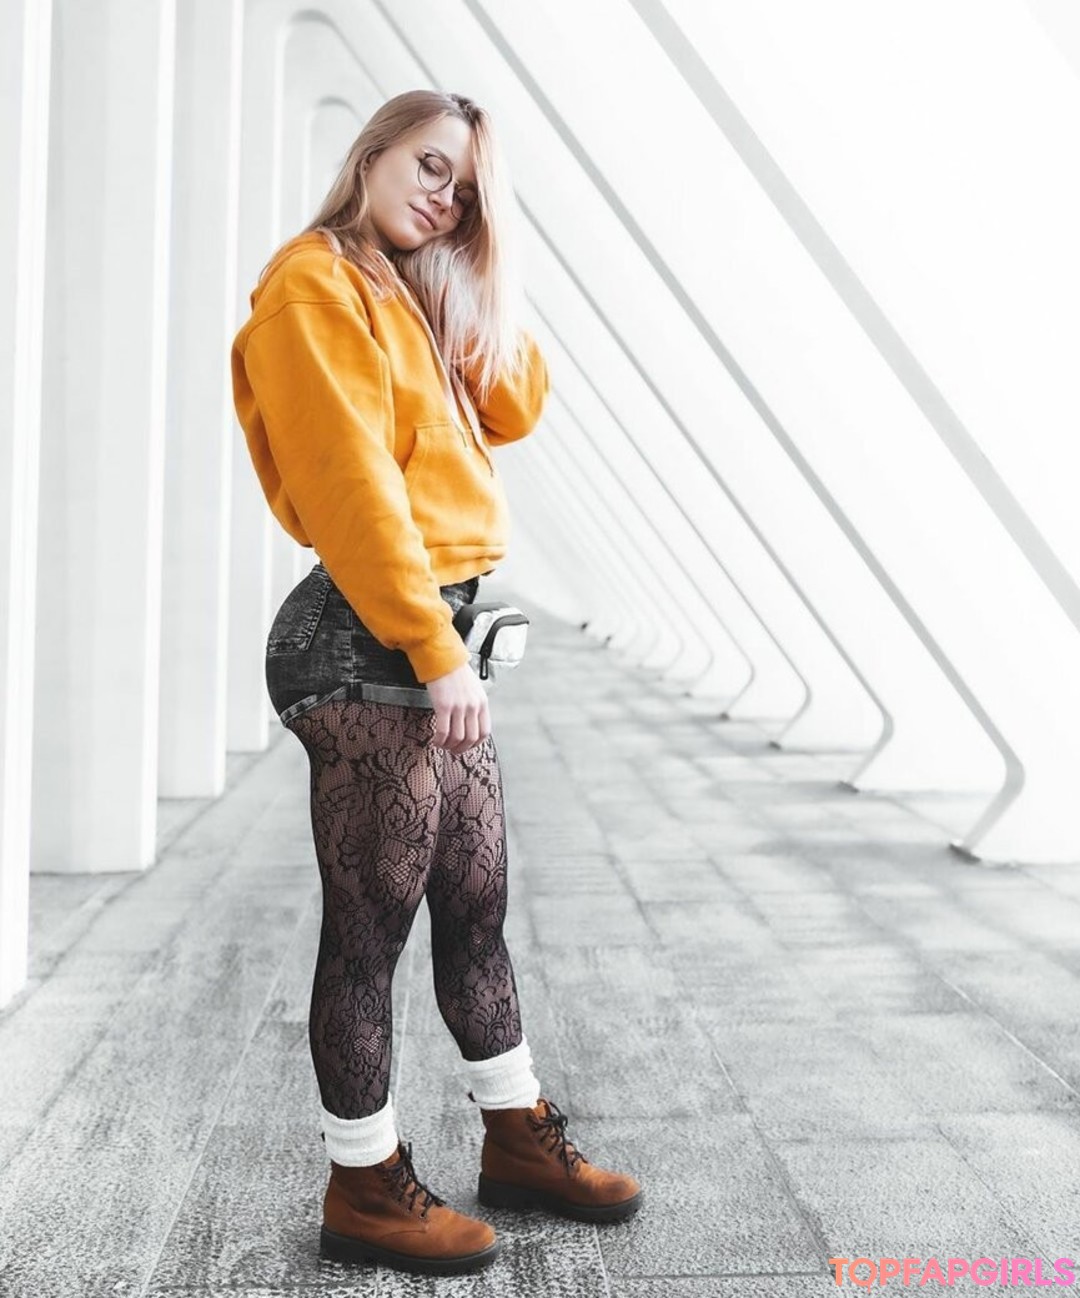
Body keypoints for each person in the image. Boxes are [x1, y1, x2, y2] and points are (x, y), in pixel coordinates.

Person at [230, 90, 642, 1277]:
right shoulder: (313, 284)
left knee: (475, 902)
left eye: (463, 189)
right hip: (363, 632)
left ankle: (515, 1134)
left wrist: (471, 270)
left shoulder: (416, 292)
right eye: (427, 166)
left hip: (428, 623)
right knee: (372, 928)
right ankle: (365, 1183)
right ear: (371, 153)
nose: (441, 196)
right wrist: (434, 645)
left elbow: (514, 404)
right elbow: (351, 481)